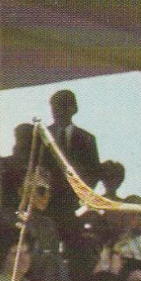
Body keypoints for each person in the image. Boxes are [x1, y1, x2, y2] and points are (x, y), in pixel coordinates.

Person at [45, 89, 101, 232]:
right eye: (55, 106)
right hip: (47, 205)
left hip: (75, 206)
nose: (58, 111)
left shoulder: (87, 139)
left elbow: (94, 173)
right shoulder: (43, 136)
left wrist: (80, 196)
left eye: (63, 106)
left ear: (73, 108)